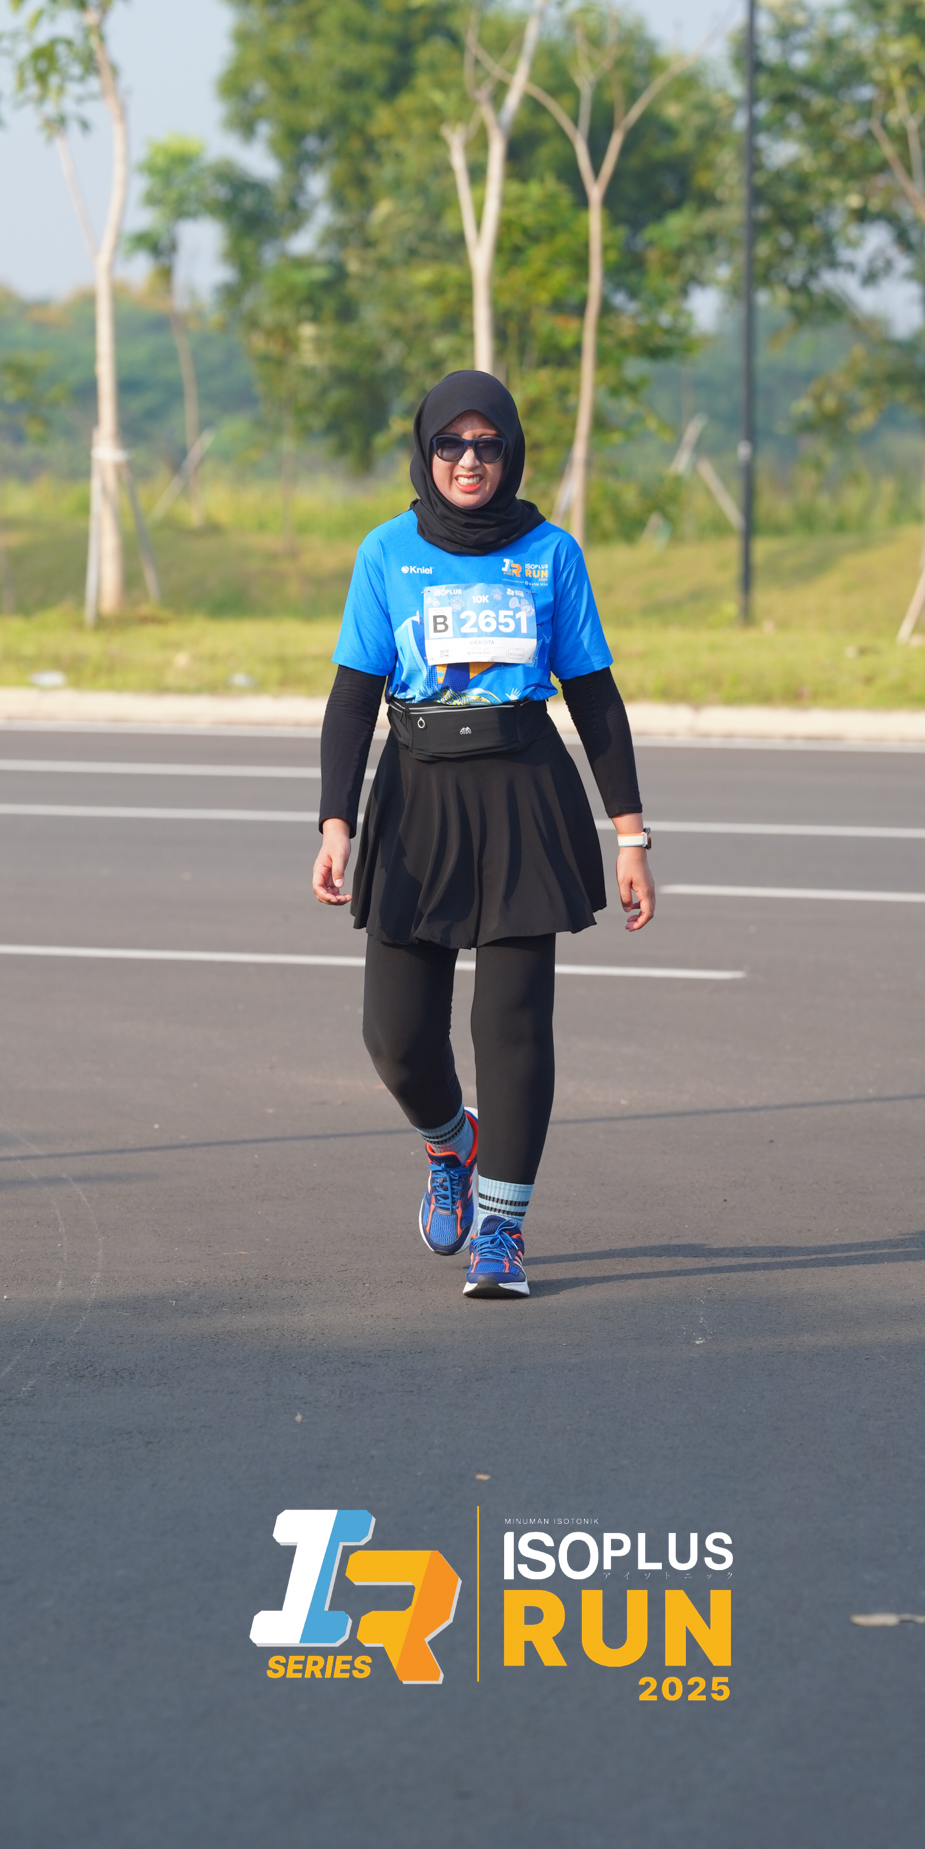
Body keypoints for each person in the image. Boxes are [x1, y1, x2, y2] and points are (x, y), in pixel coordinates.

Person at [312, 369, 655, 1299]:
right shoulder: (387, 551)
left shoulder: (550, 553)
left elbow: (594, 696)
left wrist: (630, 836)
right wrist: (336, 821)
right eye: (451, 445)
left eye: (487, 445)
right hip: (415, 799)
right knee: (395, 1037)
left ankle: (501, 1231)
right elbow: (352, 696)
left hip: (522, 794)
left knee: (511, 1025)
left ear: (511, 453)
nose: (469, 462)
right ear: (425, 452)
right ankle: (448, 1143)